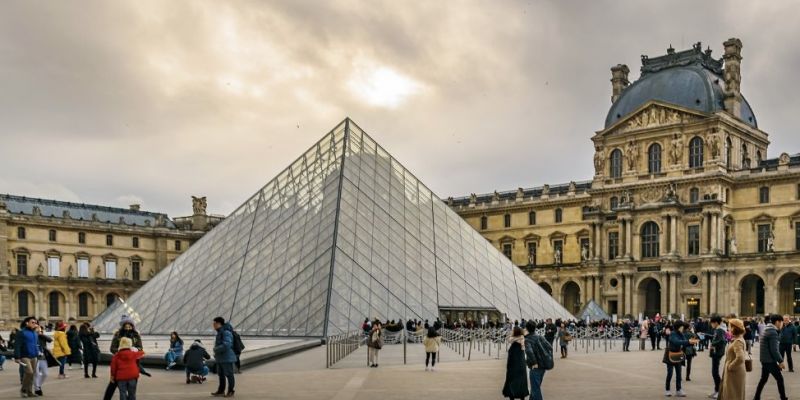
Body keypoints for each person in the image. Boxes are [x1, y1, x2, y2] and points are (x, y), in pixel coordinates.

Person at [105, 316, 147, 400]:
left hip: (133, 362)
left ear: (132, 326)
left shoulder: (136, 335)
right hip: (120, 362)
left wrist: (134, 350)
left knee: (131, 388)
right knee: (112, 385)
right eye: (126, 326)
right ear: (123, 326)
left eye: (129, 326)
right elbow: (112, 348)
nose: (128, 328)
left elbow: (140, 348)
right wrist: (121, 351)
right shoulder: (118, 335)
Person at [753, 314, 787, 400]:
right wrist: (781, 361)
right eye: (782, 322)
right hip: (769, 360)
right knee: (780, 379)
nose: (782, 324)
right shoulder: (773, 332)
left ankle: (756, 397)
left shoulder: (767, 329)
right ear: (777, 322)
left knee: (763, 379)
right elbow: (774, 350)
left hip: (765, 359)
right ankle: (783, 398)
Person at [664, 321, 698, 397]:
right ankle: (667, 389)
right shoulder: (673, 333)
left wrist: (691, 342)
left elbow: (684, 342)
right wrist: (688, 341)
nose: (683, 328)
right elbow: (677, 342)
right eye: (682, 327)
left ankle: (678, 390)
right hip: (670, 354)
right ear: (678, 327)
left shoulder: (681, 334)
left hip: (678, 354)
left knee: (679, 374)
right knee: (670, 373)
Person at [719, 319, 747, 400]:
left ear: (734, 328)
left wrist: (731, 366)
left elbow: (740, 358)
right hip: (736, 371)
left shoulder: (738, 341)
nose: (729, 329)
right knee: (734, 394)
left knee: (732, 395)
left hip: (734, 372)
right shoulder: (737, 339)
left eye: (730, 327)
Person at [524, 320, 552, 400]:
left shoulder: (527, 339)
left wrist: (534, 363)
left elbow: (529, 352)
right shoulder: (540, 337)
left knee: (535, 389)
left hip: (535, 366)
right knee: (535, 387)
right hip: (543, 365)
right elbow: (550, 347)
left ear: (527, 328)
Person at [13, 317, 39, 397]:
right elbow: (17, 345)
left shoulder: (35, 333)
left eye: (35, 322)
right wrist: (17, 357)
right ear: (27, 323)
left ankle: (29, 392)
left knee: (32, 374)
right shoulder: (21, 333)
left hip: (34, 356)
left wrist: (38, 352)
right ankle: (23, 389)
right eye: (32, 322)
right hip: (25, 356)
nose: (34, 324)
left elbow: (36, 344)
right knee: (29, 372)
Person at [211, 316, 236, 398]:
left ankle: (231, 391)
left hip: (227, 358)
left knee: (229, 375)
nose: (213, 325)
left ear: (219, 324)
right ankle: (221, 391)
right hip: (220, 358)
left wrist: (216, 349)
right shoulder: (220, 332)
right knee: (221, 375)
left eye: (214, 323)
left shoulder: (226, 332)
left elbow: (227, 344)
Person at [502, 327, 529, 400]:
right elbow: (510, 340)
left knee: (512, 378)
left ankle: (512, 395)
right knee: (520, 379)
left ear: (515, 332)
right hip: (519, 362)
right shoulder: (520, 338)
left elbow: (509, 339)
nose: (512, 331)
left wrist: (518, 337)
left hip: (514, 363)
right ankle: (521, 396)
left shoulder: (519, 339)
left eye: (513, 330)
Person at [708, 315, 727, 399]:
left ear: (715, 322)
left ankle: (719, 391)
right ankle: (717, 390)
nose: (711, 325)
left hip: (717, 353)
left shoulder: (719, 330)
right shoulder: (718, 330)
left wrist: (713, 345)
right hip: (716, 353)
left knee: (715, 372)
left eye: (711, 323)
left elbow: (722, 340)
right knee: (714, 372)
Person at [34, 325, 54, 396]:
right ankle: (37, 389)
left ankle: (38, 385)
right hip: (35, 357)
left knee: (45, 373)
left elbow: (50, 340)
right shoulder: (32, 336)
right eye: (37, 329)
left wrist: (41, 334)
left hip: (43, 357)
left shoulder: (42, 336)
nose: (38, 330)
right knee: (36, 374)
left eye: (39, 329)